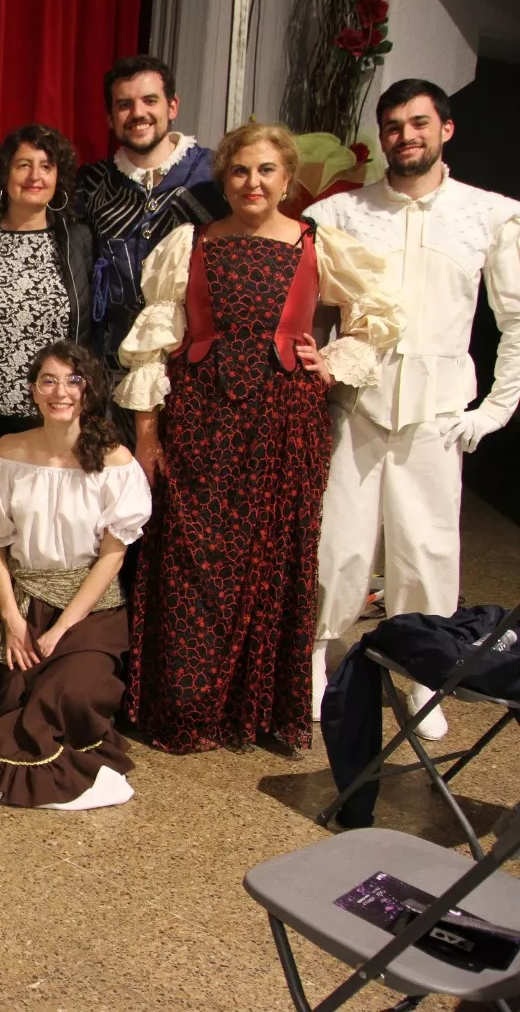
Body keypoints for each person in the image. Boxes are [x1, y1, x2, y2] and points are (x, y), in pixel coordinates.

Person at [117, 122, 401, 754]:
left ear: (286, 177)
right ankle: (187, 706)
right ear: (225, 177)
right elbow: (155, 342)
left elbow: (381, 311)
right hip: (201, 418)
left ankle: (254, 711)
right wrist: (147, 434)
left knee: (273, 563)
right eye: (241, 170)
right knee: (193, 563)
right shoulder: (190, 242)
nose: (253, 183)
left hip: (284, 424)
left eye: (267, 170)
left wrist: (336, 360)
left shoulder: (316, 244)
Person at [307, 79, 520, 740]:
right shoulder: (345, 212)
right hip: (358, 402)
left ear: (445, 129)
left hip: (437, 409)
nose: (407, 136)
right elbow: (308, 305)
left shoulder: (490, 214)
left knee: (426, 550)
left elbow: (515, 317)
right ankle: (317, 653)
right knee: (338, 545)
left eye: (419, 123)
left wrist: (493, 410)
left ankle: (426, 671)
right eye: (394, 125)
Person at [0, 341, 149, 808]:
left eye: (73, 380)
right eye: (49, 381)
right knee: (16, 694)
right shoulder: (8, 452)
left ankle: (44, 769)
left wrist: (62, 628)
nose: (61, 392)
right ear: (34, 392)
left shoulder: (115, 461)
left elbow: (112, 558)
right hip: (23, 603)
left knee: (71, 693)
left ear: (89, 390)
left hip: (91, 612)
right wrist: (13, 622)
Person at [75, 55, 226, 402]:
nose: (138, 113)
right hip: (112, 369)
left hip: (195, 366)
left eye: (150, 101)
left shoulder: (216, 173)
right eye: (125, 104)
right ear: (111, 118)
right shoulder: (89, 182)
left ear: (173, 106)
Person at [0, 123, 97, 455]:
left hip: (50, 423)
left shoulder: (77, 241)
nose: (34, 176)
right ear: (5, 175)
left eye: (46, 167)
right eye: (23, 165)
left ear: (58, 179)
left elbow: (85, 336)